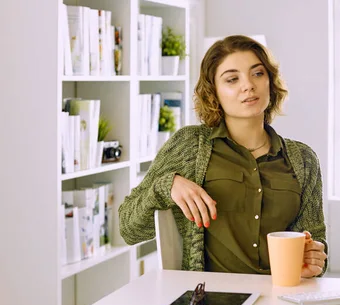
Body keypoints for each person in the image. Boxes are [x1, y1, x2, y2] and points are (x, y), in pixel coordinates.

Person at [119, 35, 328, 278]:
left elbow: (315, 239)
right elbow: (129, 229)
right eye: (232, 79)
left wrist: (315, 258)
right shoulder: (189, 146)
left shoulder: (303, 159)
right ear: (214, 93)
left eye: (258, 73)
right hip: (214, 302)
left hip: (282, 298)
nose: (248, 85)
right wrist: (167, 186)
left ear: (270, 82)